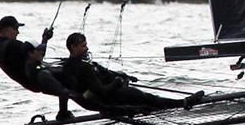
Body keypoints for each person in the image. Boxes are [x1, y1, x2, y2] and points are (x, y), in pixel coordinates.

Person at [60, 33, 201, 113]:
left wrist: (122, 76)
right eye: (83, 46)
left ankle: (179, 104)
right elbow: (101, 92)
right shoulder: (81, 67)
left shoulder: (77, 64)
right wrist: (118, 82)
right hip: (109, 99)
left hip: (111, 95)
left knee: (147, 98)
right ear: (73, 47)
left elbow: (105, 72)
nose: (87, 48)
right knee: (147, 98)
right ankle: (184, 103)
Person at [0, 15, 74, 122]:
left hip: (28, 81)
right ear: (7, 30)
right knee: (68, 80)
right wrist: (45, 39)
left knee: (64, 78)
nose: (18, 32)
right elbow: (39, 55)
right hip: (36, 78)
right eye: (16, 29)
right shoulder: (15, 45)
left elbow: (32, 57)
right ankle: (63, 113)